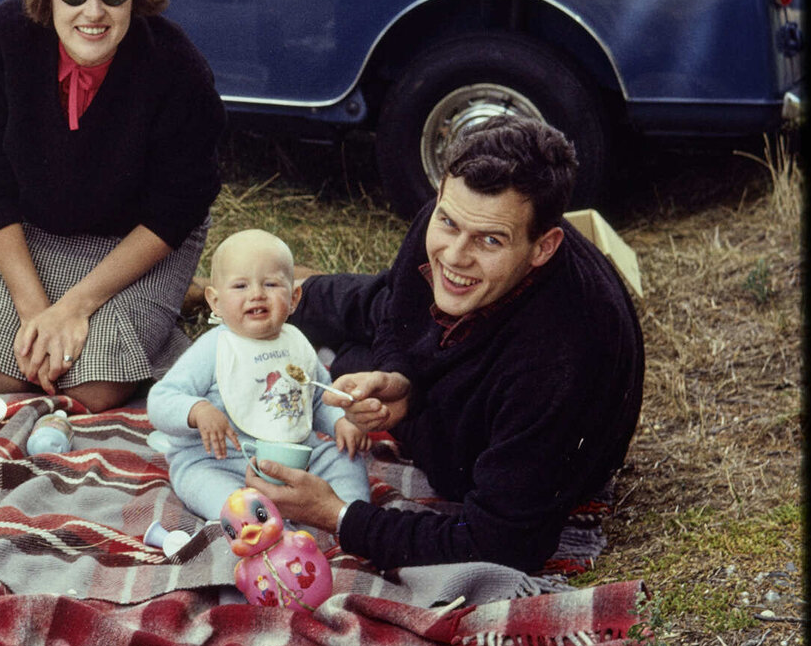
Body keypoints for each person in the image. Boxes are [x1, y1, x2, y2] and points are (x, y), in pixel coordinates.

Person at [261, 116, 644, 574]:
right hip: (462, 328)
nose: (456, 254)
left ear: (543, 247)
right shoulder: (454, 222)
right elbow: (401, 313)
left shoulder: (557, 362)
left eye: (490, 239)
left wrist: (338, 515)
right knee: (337, 303)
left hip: (477, 424)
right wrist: (399, 374)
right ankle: (247, 291)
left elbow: (501, 543)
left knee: (342, 363)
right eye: (447, 221)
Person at [0, 0, 226, 413]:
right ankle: (160, 316)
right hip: (38, 232)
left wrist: (75, 307)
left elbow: (178, 205)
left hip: (137, 240)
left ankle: (165, 327)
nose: (92, 12)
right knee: (1, 375)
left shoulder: (178, 67)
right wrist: (37, 313)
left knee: (91, 390)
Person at [146, 229, 371, 526]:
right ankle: (259, 526)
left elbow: (319, 397)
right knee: (203, 483)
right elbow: (161, 400)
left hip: (298, 457)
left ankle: (348, 517)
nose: (256, 294)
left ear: (293, 298)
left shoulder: (296, 344)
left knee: (345, 459)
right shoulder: (215, 348)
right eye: (240, 286)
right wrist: (197, 410)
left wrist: (341, 420)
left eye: (271, 284)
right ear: (214, 301)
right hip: (222, 461)